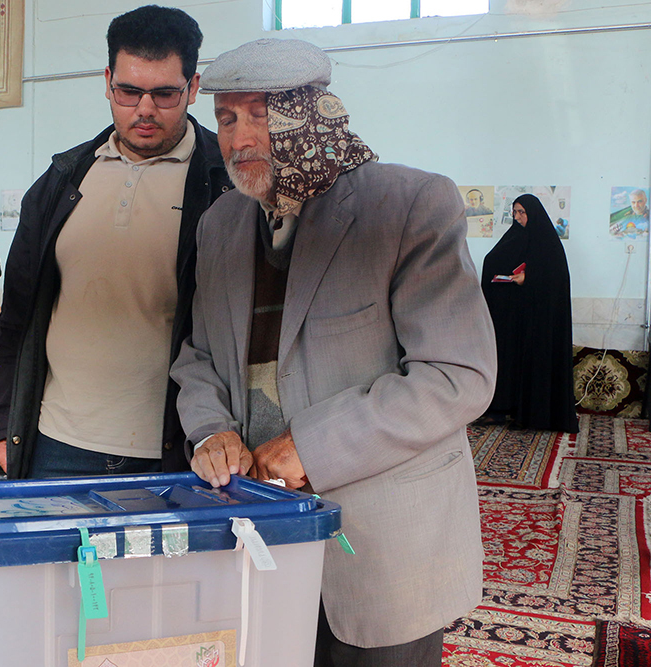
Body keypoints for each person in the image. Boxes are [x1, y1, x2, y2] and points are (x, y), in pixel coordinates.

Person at [168, 39, 497, 666]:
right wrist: (211, 430)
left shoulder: (407, 205)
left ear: (307, 113)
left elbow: (456, 375)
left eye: (260, 114)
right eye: (226, 118)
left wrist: (309, 447)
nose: (239, 139)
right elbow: (198, 356)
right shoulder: (221, 224)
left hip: (382, 545)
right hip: (259, 531)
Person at [0, 4, 232, 479]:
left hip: (176, 450)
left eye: (165, 93)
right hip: (55, 446)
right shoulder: (61, 181)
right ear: (107, 82)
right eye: (129, 91)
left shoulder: (223, 184)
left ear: (193, 87)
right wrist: (5, 424)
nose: (145, 109)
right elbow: (18, 313)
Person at [481, 194, 578, 432]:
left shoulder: (548, 243)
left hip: (538, 320)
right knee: (506, 358)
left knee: (533, 363)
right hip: (513, 317)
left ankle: (530, 415)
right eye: (514, 212)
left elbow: (555, 278)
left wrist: (528, 278)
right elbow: (493, 260)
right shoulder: (513, 237)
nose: (517, 217)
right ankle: (499, 409)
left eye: (522, 212)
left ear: (533, 213)